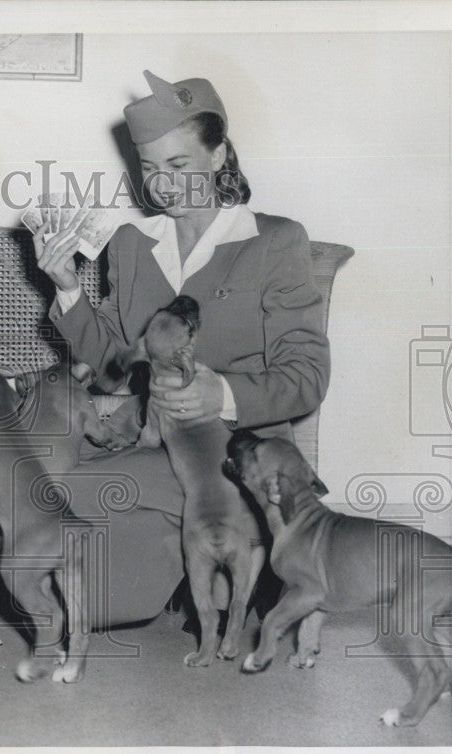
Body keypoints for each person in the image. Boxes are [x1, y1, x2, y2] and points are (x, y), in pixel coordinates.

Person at [35, 71, 330, 626]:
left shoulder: (275, 241)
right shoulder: (130, 242)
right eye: (150, 168)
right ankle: (176, 555)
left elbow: (308, 375)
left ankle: (195, 551)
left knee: (47, 498)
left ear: (218, 156)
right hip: (149, 447)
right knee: (78, 589)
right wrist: (69, 291)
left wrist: (223, 393)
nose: (163, 185)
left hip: (234, 459)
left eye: (178, 166)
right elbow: (113, 369)